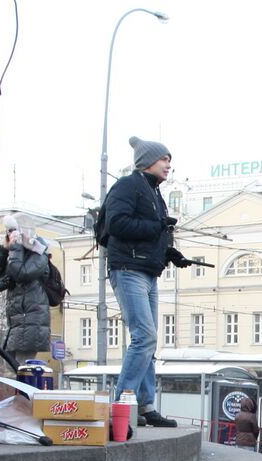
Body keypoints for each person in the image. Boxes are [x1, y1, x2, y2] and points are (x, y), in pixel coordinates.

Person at [104, 135, 194, 428]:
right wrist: (158, 226)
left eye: (169, 160)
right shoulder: (128, 186)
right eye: (164, 159)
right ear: (147, 161)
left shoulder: (154, 194)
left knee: (148, 341)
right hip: (128, 268)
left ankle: (145, 405)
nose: (168, 165)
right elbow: (116, 224)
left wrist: (170, 253)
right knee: (145, 337)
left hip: (146, 270)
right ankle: (123, 403)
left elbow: (152, 233)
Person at [0, 215, 52, 357]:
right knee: (11, 364)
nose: (11, 234)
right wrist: (5, 250)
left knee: (22, 368)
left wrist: (15, 247)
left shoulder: (39, 253)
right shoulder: (14, 252)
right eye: (8, 231)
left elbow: (21, 274)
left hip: (30, 321)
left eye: (14, 231)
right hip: (17, 321)